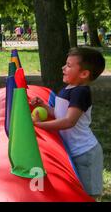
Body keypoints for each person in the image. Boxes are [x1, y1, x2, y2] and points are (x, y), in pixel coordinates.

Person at [31, 47, 105, 198]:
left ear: (84, 74)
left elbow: (68, 121)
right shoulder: (69, 89)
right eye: (66, 64)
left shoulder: (81, 92)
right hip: (75, 151)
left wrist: (38, 125)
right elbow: (59, 114)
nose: (63, 68)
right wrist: (44, 106)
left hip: (85, 152)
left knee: (88, 195)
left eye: (69, 66)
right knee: (77, 191)